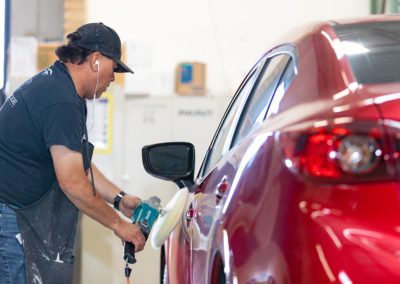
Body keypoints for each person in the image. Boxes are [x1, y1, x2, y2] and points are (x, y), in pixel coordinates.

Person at [0, 22, 145, 284]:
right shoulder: (60, 99)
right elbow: (73, 182)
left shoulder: (63, 90)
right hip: (11, 219)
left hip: (18, 215)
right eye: (115, 68)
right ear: (96, 61)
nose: (114, 78)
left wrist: (119, 199)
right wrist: (120, 225)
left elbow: (79, 166)